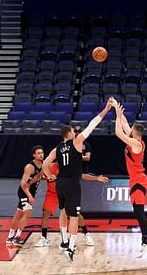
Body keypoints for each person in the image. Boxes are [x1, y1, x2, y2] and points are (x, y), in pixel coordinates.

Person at [43, 99, 112, 261]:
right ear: (69, 134)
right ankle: (70, 247)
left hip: (59, 182)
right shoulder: (76, 142)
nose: (75, 133)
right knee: (74, 216)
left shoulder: (57, 148)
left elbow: (45, 163)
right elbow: (93, 125)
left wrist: (49, 175)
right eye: (73, 132)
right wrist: (106, 110)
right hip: (73, 184)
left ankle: (64, 240)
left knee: (64, 211)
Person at [35, 158, 109, 248]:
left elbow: (82, 176)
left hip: (66, 192)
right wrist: (34, 181)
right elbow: (39, 175)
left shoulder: (70, 168)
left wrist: (97, 178)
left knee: (75, 215)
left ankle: (86, 234)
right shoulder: (50, 166)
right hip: (52, 193)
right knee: (46, 213)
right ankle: (44, 238)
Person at [112, 100, 147, 257]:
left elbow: (119, 133)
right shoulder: (135, 138)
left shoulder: (136, 144)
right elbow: (125, 126)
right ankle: (145, 241)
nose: (130, 131)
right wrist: (117, 108)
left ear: (136, 134)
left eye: (132, 131)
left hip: (139, 180)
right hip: (135, 179)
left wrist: (117, 116)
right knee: (137, 212)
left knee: (139, 212)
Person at [6, 145, 45, 246]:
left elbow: (39, 176)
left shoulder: (43, 165)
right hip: (24, 191)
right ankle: (17, 237)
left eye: (42, 153)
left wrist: (48, 177)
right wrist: (30, 196)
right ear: (34, 155)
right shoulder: (29, 167)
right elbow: (23, 184)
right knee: (28, 213)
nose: (41, 155)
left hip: (31, 191)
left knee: (18, 214)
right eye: (38, 153)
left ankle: (10, 236)